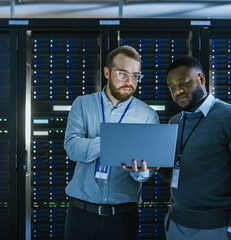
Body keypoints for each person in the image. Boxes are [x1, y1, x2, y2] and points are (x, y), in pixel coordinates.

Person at [63, 45, 159, 240]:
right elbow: (72, 148)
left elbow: (146, 171)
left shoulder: (148, 115)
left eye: (135, 76)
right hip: (81, 213)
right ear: (107, 72)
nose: (130, 81)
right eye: (123, 73)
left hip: (123, 218)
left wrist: (141, 173)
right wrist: (113, 140)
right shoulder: (83, 104)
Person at [161, 56, 231, 240]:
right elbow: (172, 173)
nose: (177, 90)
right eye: (172, 87)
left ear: (202, 79)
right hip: (175, 224)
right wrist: (154, 164)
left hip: (216, 228)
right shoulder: (174, 122)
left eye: (183, 82)